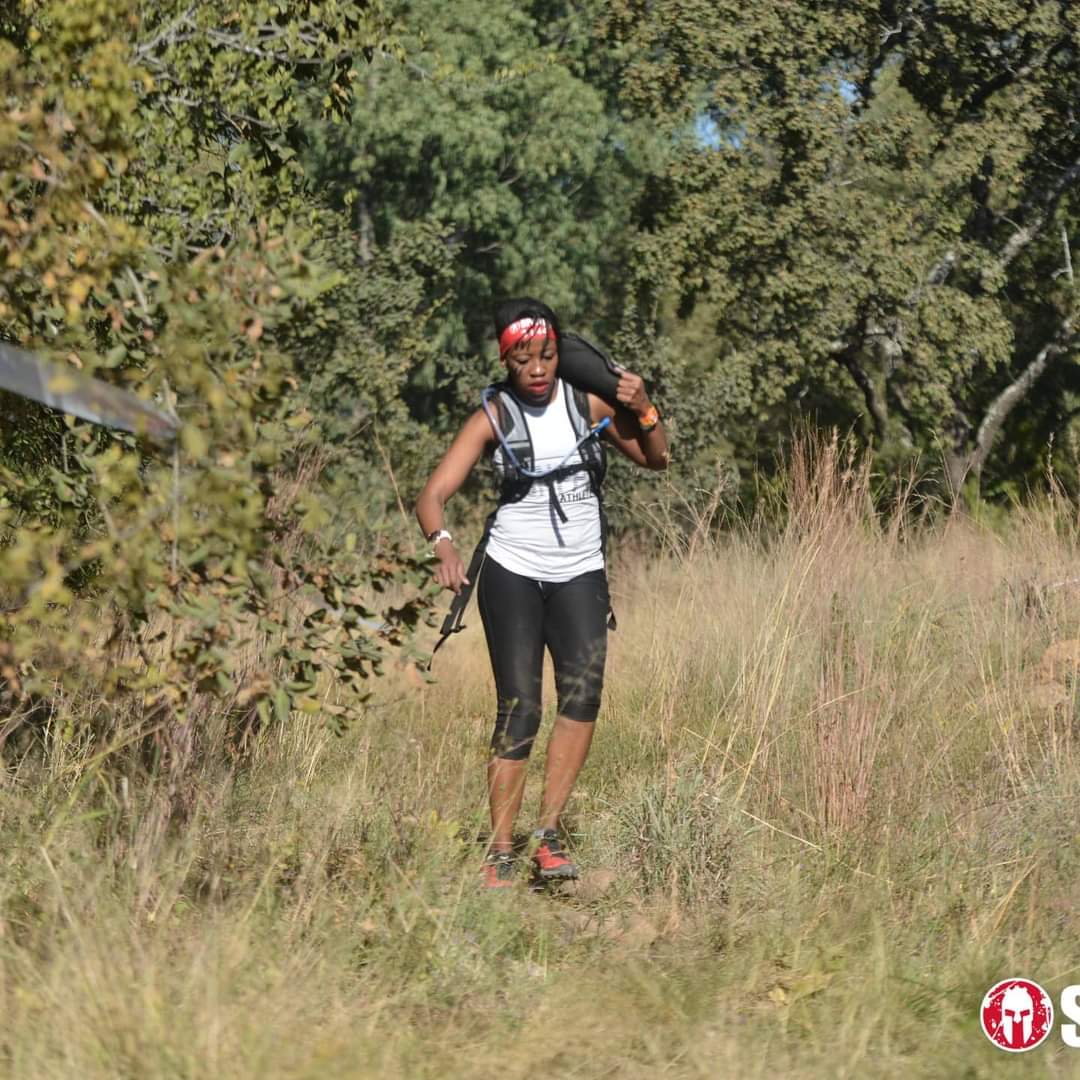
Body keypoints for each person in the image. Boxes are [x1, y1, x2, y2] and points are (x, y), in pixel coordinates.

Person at [415, 298, 669, 887]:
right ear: (506, 360)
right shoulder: (494, 417)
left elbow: (657, 459)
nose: (537, 368)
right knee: (521, 708)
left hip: (580, 571)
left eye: (548, 356)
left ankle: (548, 836)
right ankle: (500, 849)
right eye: (523, 358)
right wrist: (444, 545)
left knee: (582, 699)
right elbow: (432, 496)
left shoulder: (589, 405)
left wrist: (645, 407)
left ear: (560, 354)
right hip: (512, 572)